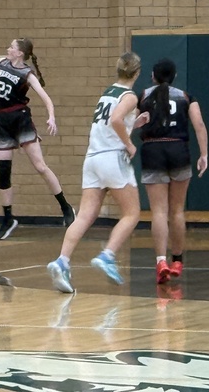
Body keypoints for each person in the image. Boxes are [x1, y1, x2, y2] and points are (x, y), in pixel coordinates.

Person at [47, 52, 143, 293]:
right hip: (113, 157)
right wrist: (130, 144)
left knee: (84, 216)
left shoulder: (108, 92)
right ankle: (108, 255)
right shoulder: (129, 96)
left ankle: (62, 261)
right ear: (137, 72)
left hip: (93, 159)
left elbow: (113, 121)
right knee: (132, 214)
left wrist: (135, 124)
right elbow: (116, 119)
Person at [0, 23, 75, 239]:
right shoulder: (2, 62)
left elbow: (46, 98)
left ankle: (65, 206)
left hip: (20, 119)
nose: (8, 49)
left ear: (19, 52)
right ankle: (8, 218)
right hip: (1, 119)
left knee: (40, 166)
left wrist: (52, 116)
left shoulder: (27, 74)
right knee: (3, 171)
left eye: (11, 47)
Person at [137, 58, 209, 284]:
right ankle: (177, 260)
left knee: (158, 211)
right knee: (177, 210)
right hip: (179, 150)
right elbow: (199, 125)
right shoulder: (186, 96)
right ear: (174, 76)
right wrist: (204, 154)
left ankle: (161, 261)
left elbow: (127, 121)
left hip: (153, 149)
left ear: (153, 76)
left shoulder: (142, 96)